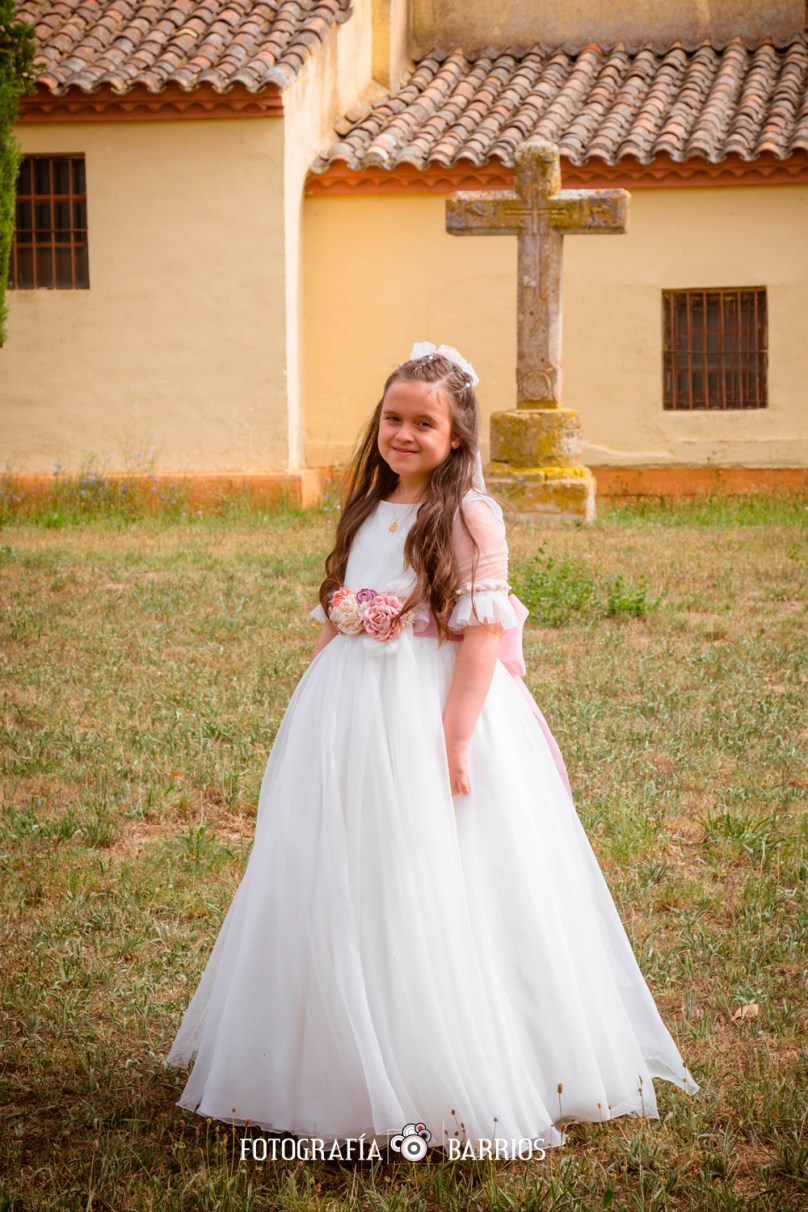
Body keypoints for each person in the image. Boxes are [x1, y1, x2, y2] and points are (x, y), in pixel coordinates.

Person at [165, 342, 699, 1158]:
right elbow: (339, 610)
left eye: (424, 423)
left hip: (432, 702)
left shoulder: (468, 516)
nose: (404, 434)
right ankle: (336, 1049)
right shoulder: (366, 508)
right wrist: (314, 698)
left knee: (435, 860)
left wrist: (456, 733)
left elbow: (483, 632)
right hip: (353, 704)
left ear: (456, 436)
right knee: (347, 860)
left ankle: (461, 1054)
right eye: (393, 418)